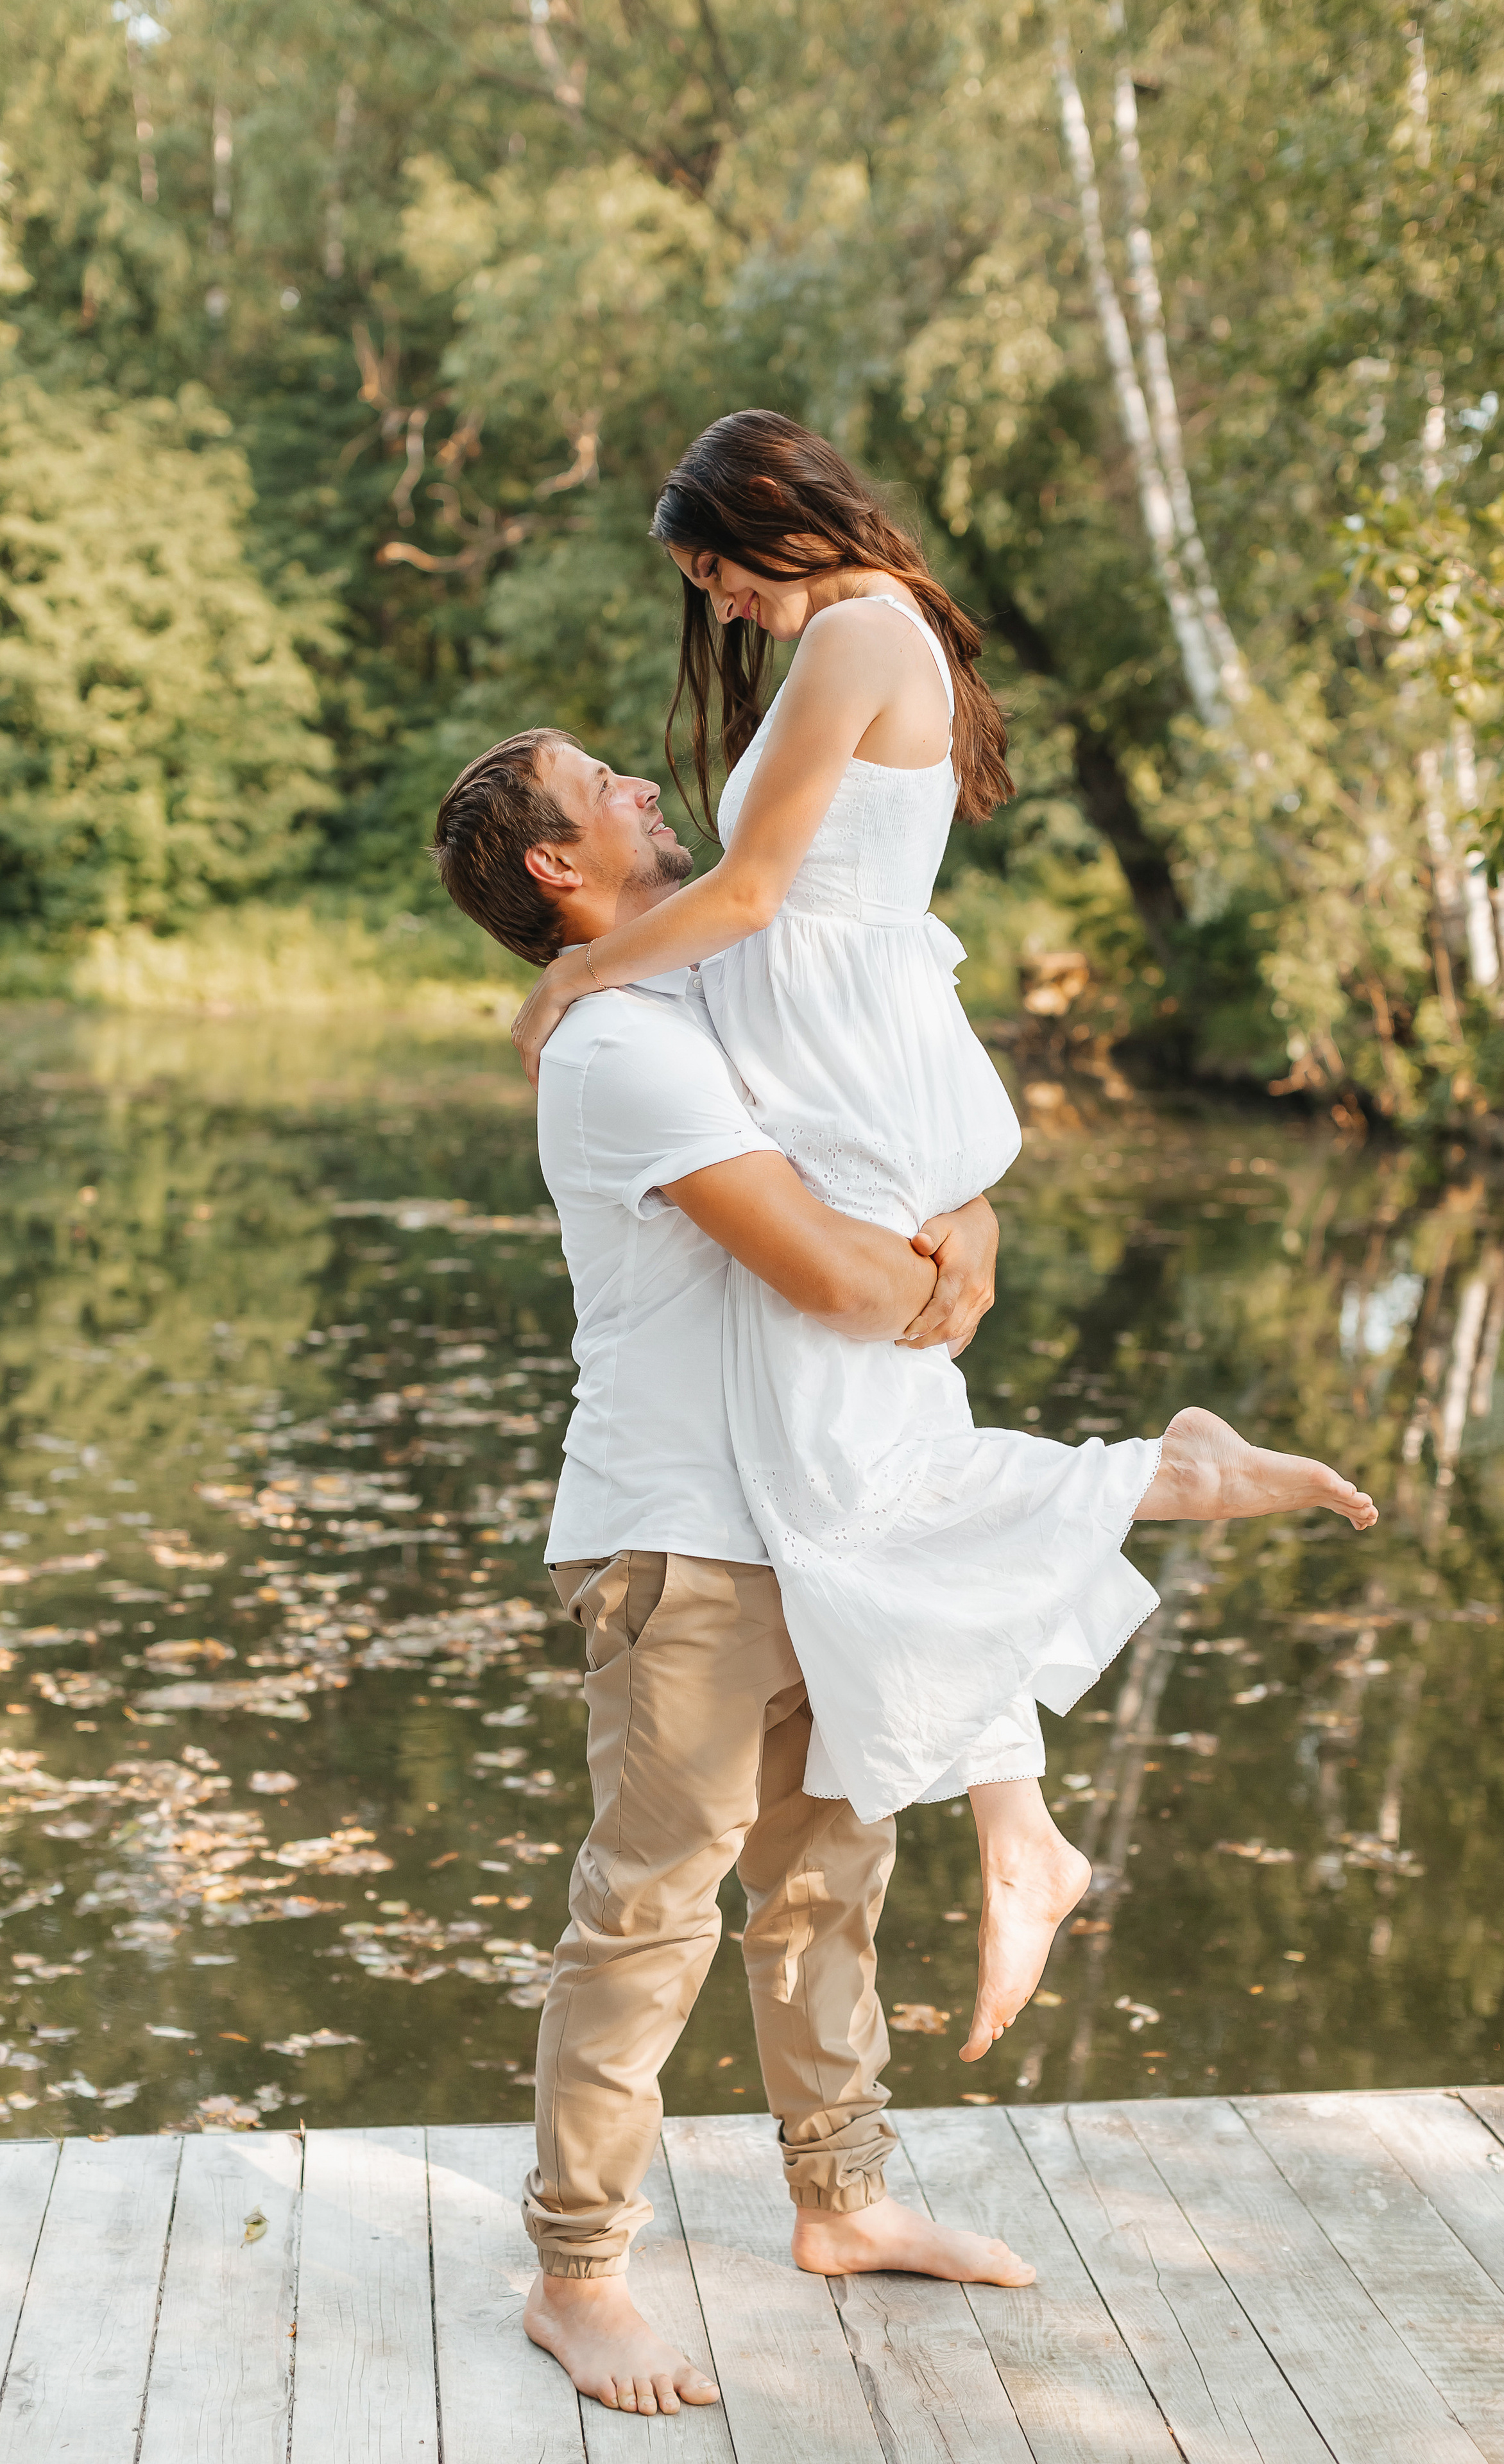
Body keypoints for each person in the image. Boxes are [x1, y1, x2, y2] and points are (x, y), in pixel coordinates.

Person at [433, 726, 1372, 2417]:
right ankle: (577, 2273)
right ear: (554, 871)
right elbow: (837, 1278)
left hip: (827, 1516)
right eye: (606, 791)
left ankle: (844, 2201)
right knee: (650, 1912)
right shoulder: (619, 1047)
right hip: (687, 1543)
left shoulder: (727, 989)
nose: (649, 789)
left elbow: (907, 1163)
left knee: (832, 1879)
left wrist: (967, 1223)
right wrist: (931, 1270)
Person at [501, 411, 1375, 2067]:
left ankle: (1157, 1490)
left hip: (849, 1073)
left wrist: (576, 972)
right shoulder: (856, 636)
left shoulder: (858, 636)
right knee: (871, 1468)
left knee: (849, 1485)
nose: (725, 613)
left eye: (717, 576)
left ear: (774, 521)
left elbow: (758, 892)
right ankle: (1018, 1821)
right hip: (850, 1074)